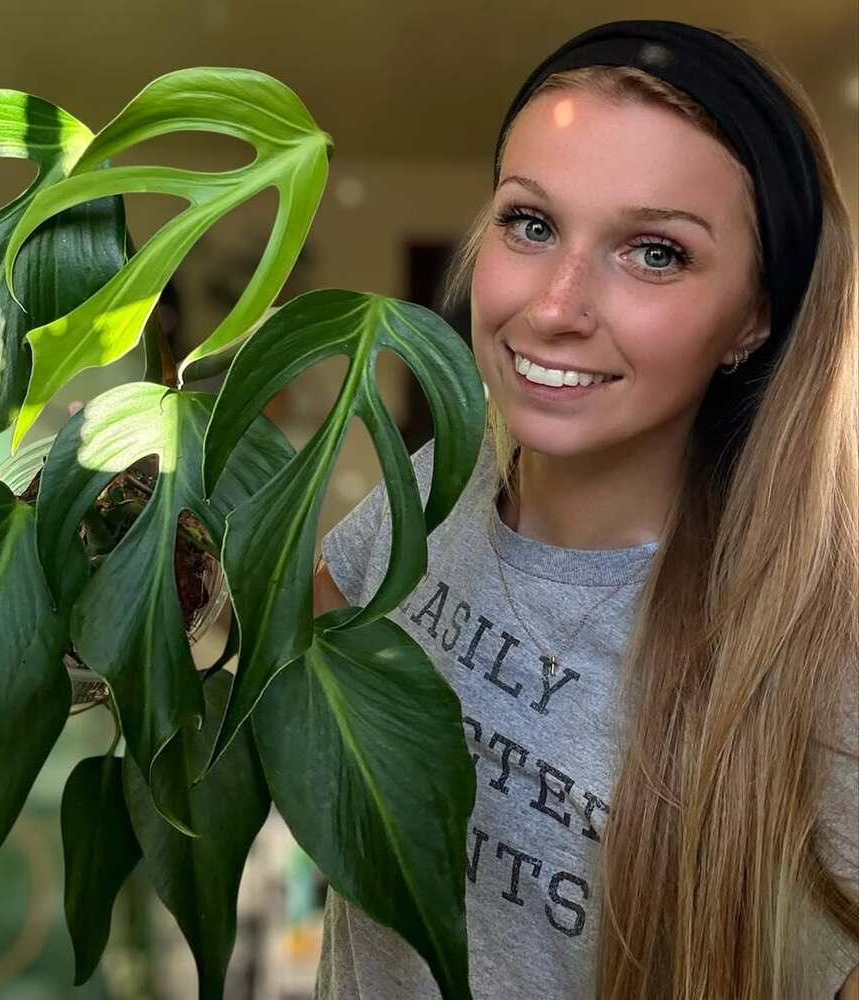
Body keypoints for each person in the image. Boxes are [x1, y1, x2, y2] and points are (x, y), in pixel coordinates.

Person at [311, 19, 858, 1000]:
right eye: (530, 223)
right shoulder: (440, 484)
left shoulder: (819, 659)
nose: (555, 305)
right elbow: (278, 678)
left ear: (752, 317)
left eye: (653, 252)